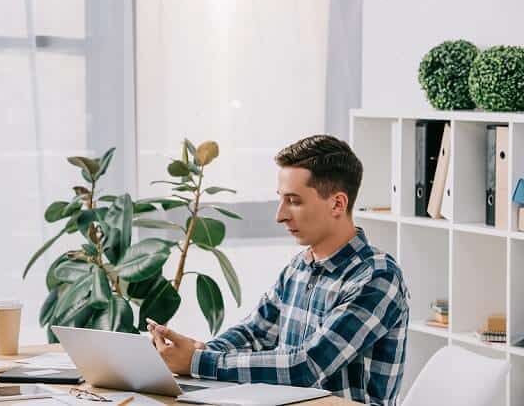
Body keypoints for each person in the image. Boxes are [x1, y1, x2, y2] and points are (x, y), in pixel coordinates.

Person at [148, 135, 410, 405]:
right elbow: (254, 333)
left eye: (294, 201)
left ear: (337, 204)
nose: (280, 215)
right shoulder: (299, 267)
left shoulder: (377, 277)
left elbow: (306, 366)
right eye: (281, 200)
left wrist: (198, 361)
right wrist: (191, 352)